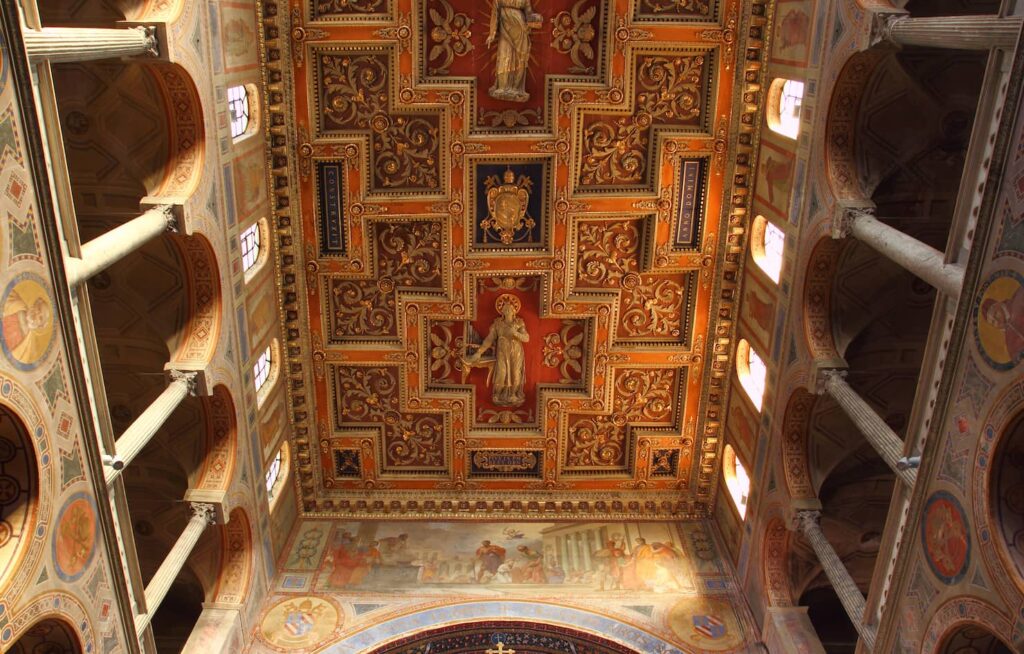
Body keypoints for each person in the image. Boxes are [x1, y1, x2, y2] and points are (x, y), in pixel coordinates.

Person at [464, 294, 529, 406]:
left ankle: (513, 394)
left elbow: (526, 338)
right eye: (505, 309)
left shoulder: (519, 323)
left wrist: (515, 333)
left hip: (516, 352)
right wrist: (479, 353)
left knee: (515, 374)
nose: (507, 311)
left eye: (510, 309)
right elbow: (489, 339)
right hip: (502, 352)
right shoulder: (497, 324)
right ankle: (497, 395)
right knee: (501, 373)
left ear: (514, 311)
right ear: (502, 311)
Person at [485, 0, 542, 102]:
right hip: (505, 30)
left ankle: (516, 88)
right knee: (504, 56)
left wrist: (536, 18)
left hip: (521, 31)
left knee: (520, 59)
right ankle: (502, 87)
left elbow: (529, 14)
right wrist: (492, 34)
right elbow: (495, 14)